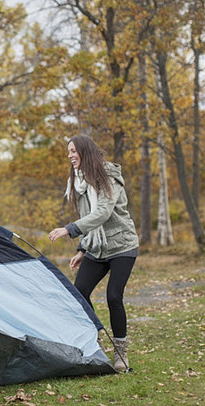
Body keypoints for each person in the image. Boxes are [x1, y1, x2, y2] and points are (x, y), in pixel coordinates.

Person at [48, 134, 139, 372]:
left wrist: (69, 230)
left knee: (113, 296)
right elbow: (88, 217)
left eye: (74, 151)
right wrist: (81, 249)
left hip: (122, 246)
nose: (70, 156)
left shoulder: (109, 177)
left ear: (85, 152)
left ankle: (121, 353)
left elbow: (102, 213)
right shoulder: (79, 182)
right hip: (97, 248)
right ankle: (93, 340)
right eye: (68, 151)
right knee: (79, 294)